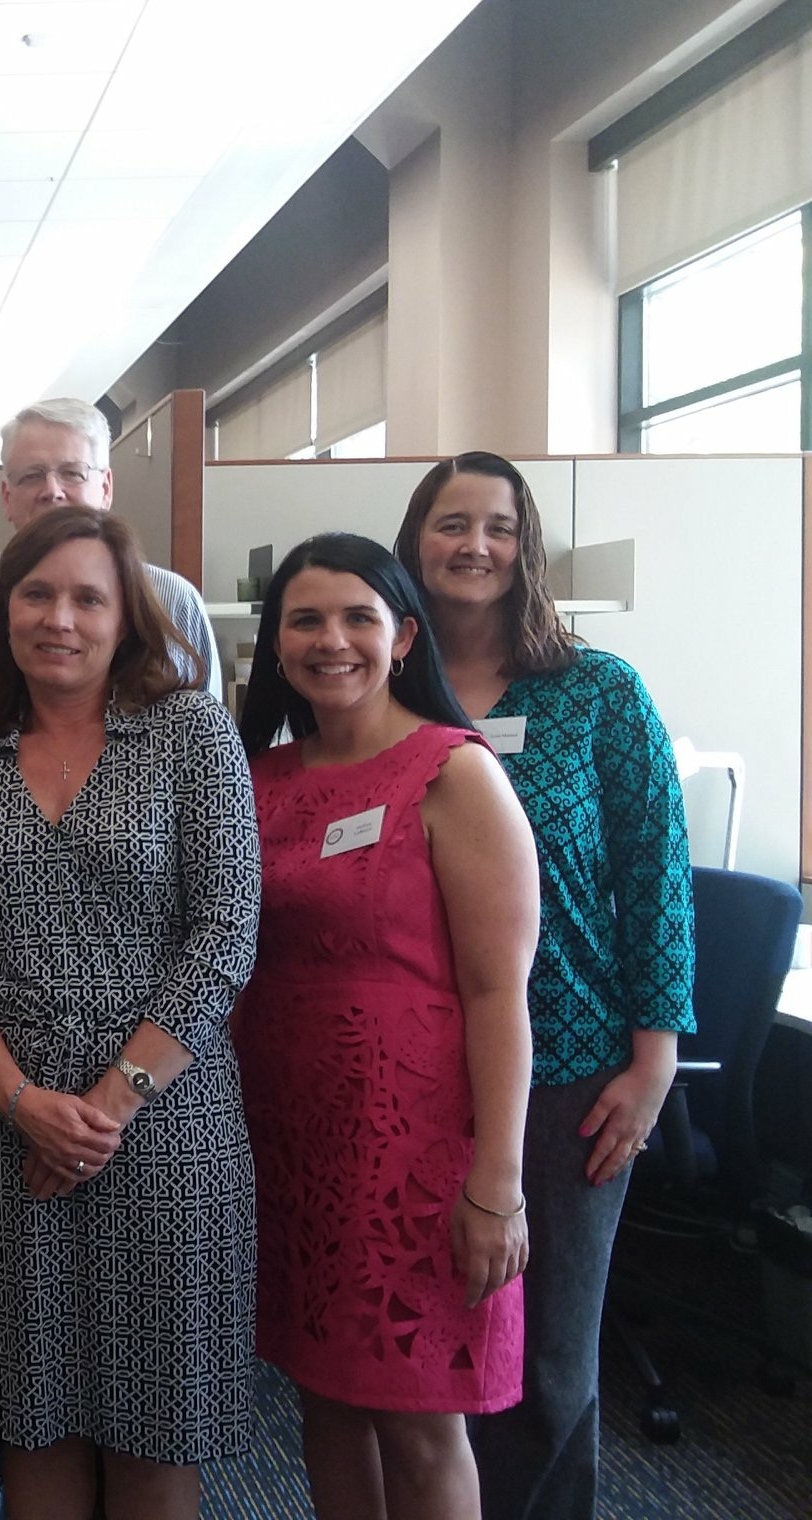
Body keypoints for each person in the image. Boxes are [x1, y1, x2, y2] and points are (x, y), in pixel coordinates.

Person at [0, 506, 260, 1520]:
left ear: (125, 617)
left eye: (86, 597)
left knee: (156, 1429)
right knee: (31, 1421)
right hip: (2, 1128)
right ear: (2, 611)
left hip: (166, 1125)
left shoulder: (190, 731)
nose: (58, 616)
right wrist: (21, 1099)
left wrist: (106, 1105)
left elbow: (225, 931)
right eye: (36, 593)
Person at [393, 454, 695, 1520]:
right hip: (409, 1063)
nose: (473, 544)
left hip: (568, 1058)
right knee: (419, 1353)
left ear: (527, 549)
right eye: (449, 523)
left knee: (548, 1358)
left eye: (499, 526)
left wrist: (654, 1056)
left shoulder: (596, 690)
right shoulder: (377, 686)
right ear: (413, 539)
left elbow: (657, 870)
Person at [233, 532, 538, 1519]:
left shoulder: (454, 773)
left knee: (418, 1412)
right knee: (322, 1393)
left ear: (404, 634)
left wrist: (496, 1179)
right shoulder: (259, 781)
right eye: (305, 619)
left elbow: (499, 993)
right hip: (293, 1141)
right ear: (274, 645)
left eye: (358, 616)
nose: (332, 640)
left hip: (412, 1149)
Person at [0, 398, 222, 762]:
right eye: (32, 475)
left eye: (72, 473)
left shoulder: (173, 600)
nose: (52, 490)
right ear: (7, 498)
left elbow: (206, 751)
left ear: (105, 488)